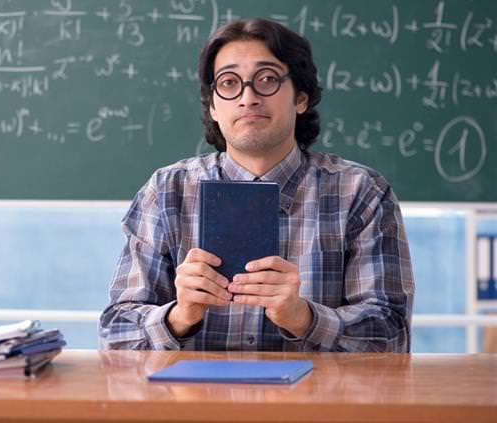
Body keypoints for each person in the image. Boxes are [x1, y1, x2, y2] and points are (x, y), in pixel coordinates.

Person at [99, 18, 414, 352]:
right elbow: (116, 333)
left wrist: (302, 317)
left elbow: (392, 335)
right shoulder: (166, 191)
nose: (248, 98)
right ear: (213, 106)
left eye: (267, 79)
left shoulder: (360, 191)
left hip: (314, 403)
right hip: (193, 401)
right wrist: (179, 316)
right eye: (229, 83)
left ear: (301, 98)